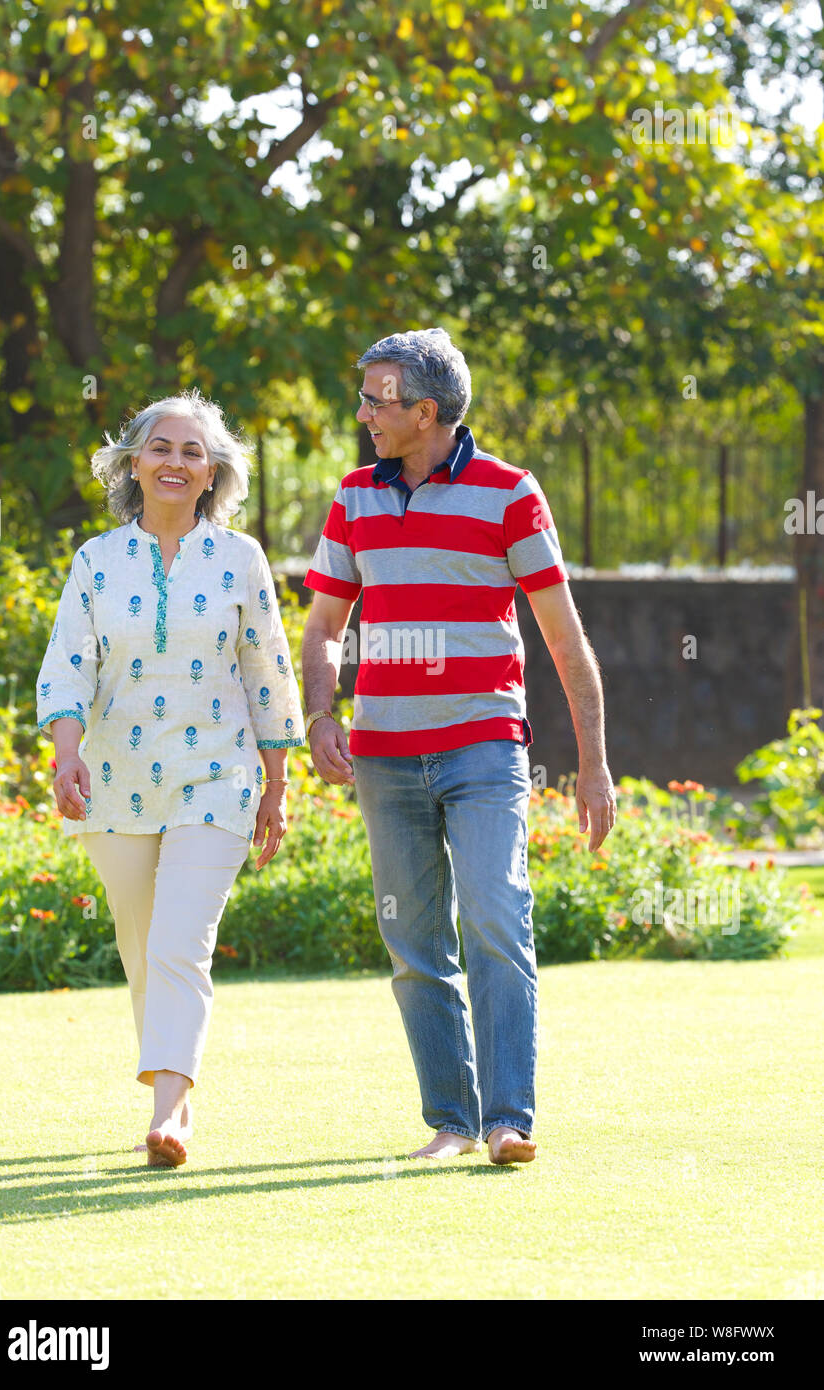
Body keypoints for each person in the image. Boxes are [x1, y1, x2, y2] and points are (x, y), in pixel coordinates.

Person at [302, 328, 615, 1164]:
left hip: (483, 747)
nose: (364, 411)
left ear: (425, 411)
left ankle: (508, 1117)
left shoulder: (510, 494)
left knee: (496, 915)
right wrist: (321, 713)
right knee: (414, 941)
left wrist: (594, 767)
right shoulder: (354, 497)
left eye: (378, 397)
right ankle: (450, 1119)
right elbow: (326, 624)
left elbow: (564, 639)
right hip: (383, 755)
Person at [36, 389, 304, 1167]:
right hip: (114, 779)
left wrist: (277, 786)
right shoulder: (96, 560)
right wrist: (66, 752)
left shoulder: (241, 559)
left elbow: (268, 671)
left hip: (217, 776)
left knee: (181, 942)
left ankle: (170, 1112)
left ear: (215, 470)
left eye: (194, 452)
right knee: (140, 944)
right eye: (162, 448)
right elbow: (67, 667)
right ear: (133, 463)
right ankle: (174, 1087)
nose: (177, 462)